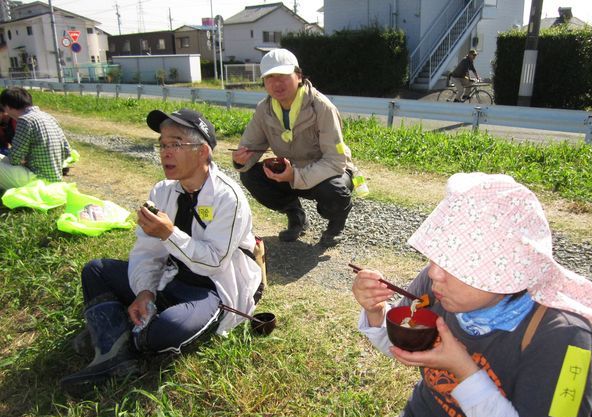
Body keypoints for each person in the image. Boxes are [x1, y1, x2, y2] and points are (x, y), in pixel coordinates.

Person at [351, 172, 592, 417]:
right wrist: (378, 312)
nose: (434, 273)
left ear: (507, 271)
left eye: (457, 262)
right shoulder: (436, 288)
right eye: (437, 254)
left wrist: (464, 372)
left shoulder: (567, 338)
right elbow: (403, 347)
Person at [61, 108, 262, 388]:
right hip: (172, 277)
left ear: (203, 151)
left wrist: (170, 234)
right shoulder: (162, 191)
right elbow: (148, 250)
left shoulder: (228, 198)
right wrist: (144, 291)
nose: (166, 152)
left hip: (212, 287)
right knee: (96, 270)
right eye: (163, 144)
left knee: (168, 330)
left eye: (176, 144)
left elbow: (215, 263)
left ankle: (111, 336)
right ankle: (114, 348)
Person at [231, 48, 355, 247]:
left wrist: (295, 177)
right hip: (290, 171)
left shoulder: (322, 107)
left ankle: (336, 225)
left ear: (298, 76)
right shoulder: (265, 108)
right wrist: (241, 159)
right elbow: (251, 145)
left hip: (328, 172)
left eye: (283, 76)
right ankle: (295, 215)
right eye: (270, 77)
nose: (276, 83)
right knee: (250, 175)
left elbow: (335, 160)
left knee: (335, 190)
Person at [0, 87, 72, 190]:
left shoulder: (25, 121)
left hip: (38, 181)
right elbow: (67, 151)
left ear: (8, 106)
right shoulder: (49, 117)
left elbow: (15, 158)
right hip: (55, 180)